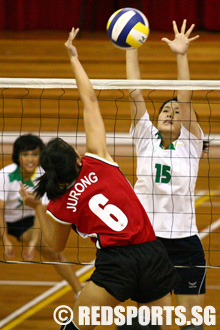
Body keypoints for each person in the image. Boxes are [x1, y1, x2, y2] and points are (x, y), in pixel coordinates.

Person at [19, 28, 180, 330]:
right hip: (151, 252)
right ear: (78, 159)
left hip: (115, 263)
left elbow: (55, 247)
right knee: (156, 326)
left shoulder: (59, 203)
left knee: (79, 326)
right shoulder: (99, 160)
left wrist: (36, 205)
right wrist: (73, 57)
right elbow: (89, 100)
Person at [126, 20, 206, 329]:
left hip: (186, 243)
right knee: (146, 324)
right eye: (165, 111)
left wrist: (181, 55)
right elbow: (135, 93)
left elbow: (184, 98)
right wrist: (130, 48)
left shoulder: (190, 143)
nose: (171, 113)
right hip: (148, 241)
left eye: (176, 112)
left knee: (193, 325)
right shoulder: (145, 137)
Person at [0, 134, 81, 296]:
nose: (30, 159)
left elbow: (40, 214)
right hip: (3, 219)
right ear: (18, 156)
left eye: (35, 154)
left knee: (53, 251)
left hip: (26, 221)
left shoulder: (43, 177)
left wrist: (33, 243)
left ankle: (78, 291)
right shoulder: (4, 175)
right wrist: (6, 240)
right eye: (25, 154)